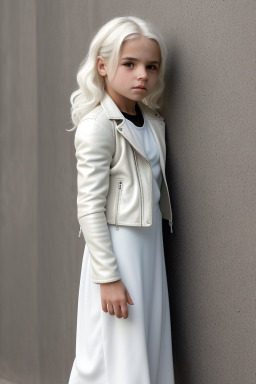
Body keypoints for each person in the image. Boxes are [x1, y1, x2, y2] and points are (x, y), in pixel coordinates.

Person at [67, 15, 175, 384]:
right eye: (129, 64)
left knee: (147, 346)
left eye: (151, 66)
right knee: (114, 355)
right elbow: (89, 207)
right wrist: (108, 277)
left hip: (149, 248)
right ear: (103, 65)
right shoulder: (98, 127)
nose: (141, 74)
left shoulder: (152, 120)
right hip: (117, 252)